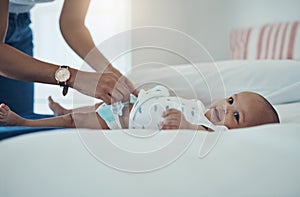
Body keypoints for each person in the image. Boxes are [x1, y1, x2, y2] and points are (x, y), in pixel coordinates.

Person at [0, 0, 135, 114]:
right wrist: (72, 78)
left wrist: (108, 70)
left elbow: (73, 24)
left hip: (21, 23)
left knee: (17, 120)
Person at [0, 85, 280, 130]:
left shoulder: (207, 128)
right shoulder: (198, 104)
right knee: (97, 104)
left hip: (120, 122)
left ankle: (23, 122)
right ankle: (64, 111)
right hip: (132, 105)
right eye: (231, 101)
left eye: (236, 116)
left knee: (76, 122)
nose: (226, 108)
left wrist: (182, 124)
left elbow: (193, 130)